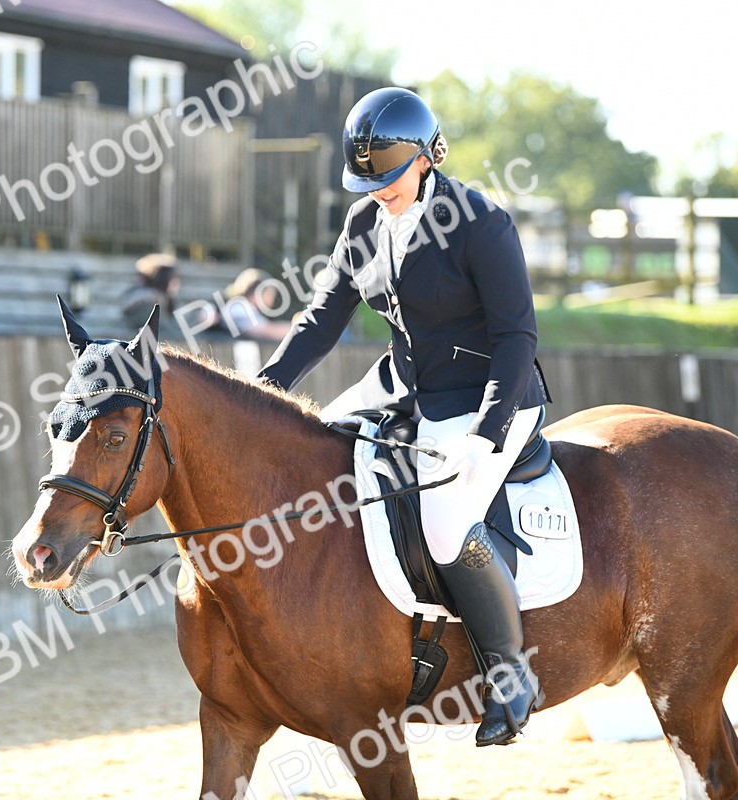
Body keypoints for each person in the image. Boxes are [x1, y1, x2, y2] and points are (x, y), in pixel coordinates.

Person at [257, 87, 551, 746]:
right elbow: (319, 320)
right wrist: (262, 392)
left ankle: (509, 673)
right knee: (314, 460)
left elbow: (516, 338)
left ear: (425, 157)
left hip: (489, 396)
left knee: (447, 523)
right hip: (405, 389)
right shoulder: (364, 224)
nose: (379, 192)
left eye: (388, 179)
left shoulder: (480, 221)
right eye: (369, 182)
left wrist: (488, 431)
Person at [121, 253, 180, 330]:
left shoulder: (162, 300)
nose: (177, 282)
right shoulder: (147, 304)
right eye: (173, 276)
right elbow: (161, 333)